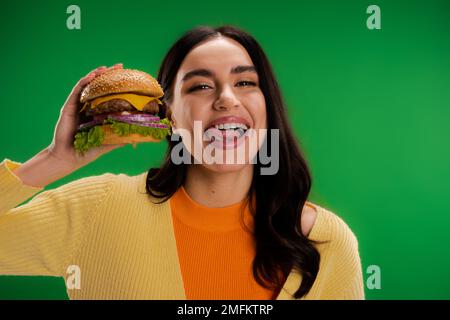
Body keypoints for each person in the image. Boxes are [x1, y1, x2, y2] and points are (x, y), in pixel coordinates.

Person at [0, 25, 364, 300]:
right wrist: (54, 159)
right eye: (200, 86)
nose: (226, 100)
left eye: (246, 83)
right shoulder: (98, 208)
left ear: (267, 106)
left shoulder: (327, 242)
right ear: (166, 113)